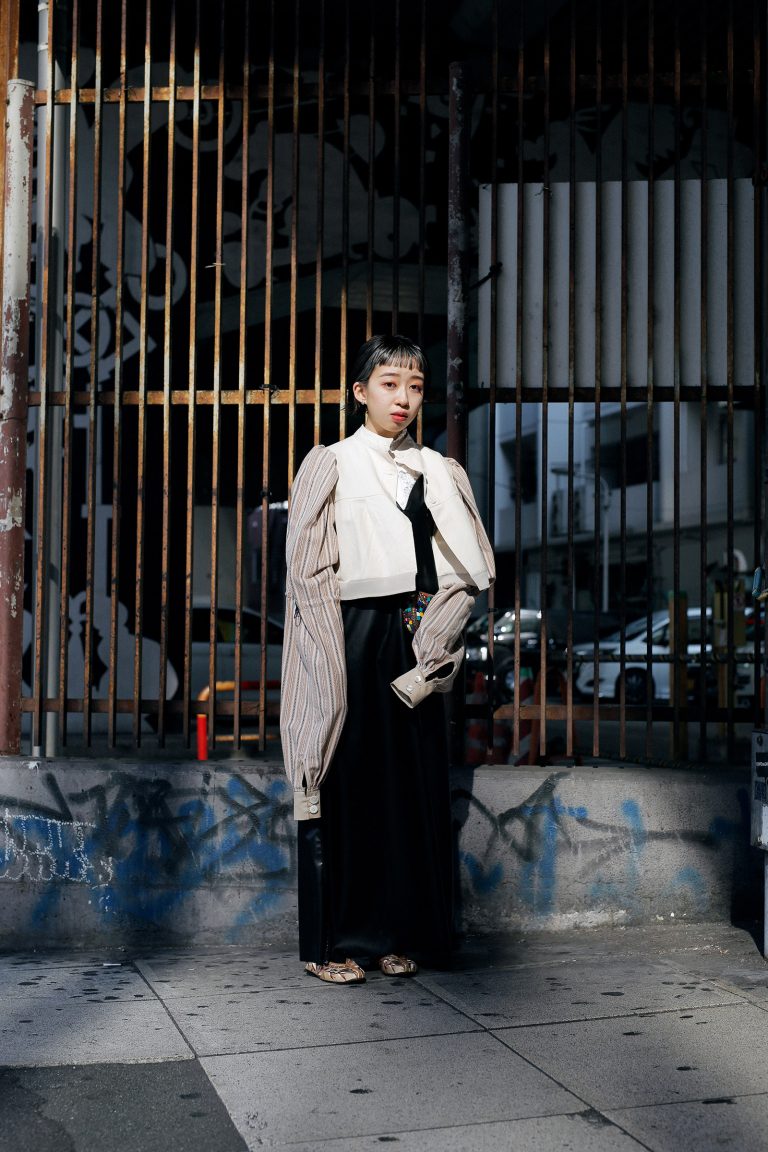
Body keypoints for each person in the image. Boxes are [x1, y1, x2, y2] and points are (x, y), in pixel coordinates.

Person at [280, 335, 495, 984]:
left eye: (416, 387)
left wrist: (434, 649)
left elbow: (465, 570)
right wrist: (324, 664)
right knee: (343, 783)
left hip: (415, 635)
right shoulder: (331, 462)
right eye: (390, 384)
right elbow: (307, 571)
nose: (404, 398)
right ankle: (333, 942)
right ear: (360, 392)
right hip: (349, 632)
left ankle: (398, 935)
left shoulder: (438, 469)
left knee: (409, 786)